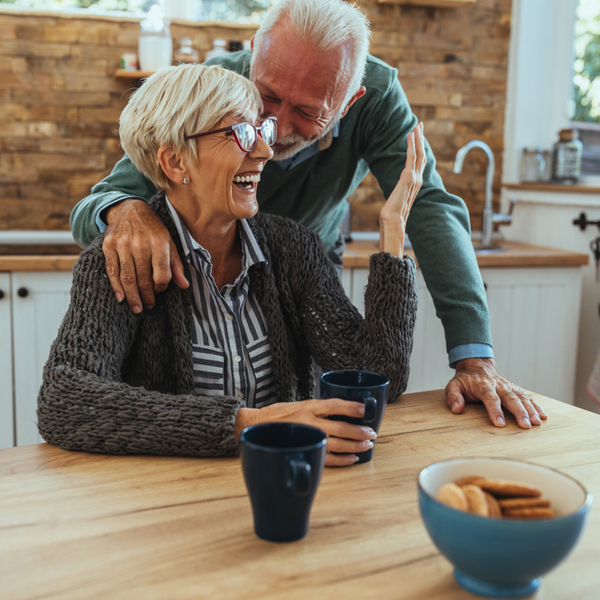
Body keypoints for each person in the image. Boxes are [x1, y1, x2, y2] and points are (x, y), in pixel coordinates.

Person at [69, 0, 547, 430]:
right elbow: (108, 195)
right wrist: (127, 210)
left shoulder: (376, 99)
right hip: (190, 270)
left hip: (306, 260)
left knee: (298, 387)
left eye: (307, 111)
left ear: (350, 101)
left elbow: (428, 207)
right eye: (267, 98)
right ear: (253, 52)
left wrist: (473, 357)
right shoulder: (213, 93)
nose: (270, 133)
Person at [38, 64, 422, 466]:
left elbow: (378, 373)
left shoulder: (294, 249)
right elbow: (65, 399)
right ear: (175, 163)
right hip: (170, 500)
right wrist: (250, 423)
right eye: (239, 134)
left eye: (261, 131)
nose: (264, 151)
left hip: (285, 488)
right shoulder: (118, 262)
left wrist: (393, 231)